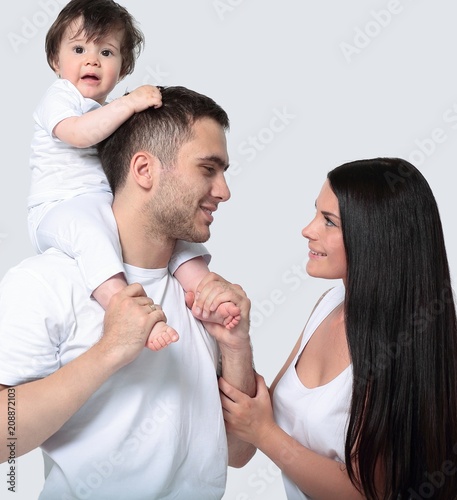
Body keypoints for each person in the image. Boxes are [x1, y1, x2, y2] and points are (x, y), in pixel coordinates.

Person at [0, 85, 256, 499]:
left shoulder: (205, 297)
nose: (224, 190)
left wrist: (237, 347)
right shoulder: (44, 283)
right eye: (208, 169)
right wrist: (109, 351)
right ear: (144, 170)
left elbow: (240, 452)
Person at [219, 158, 457, 499]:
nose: (308, 229)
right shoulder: (330, 303)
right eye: (316, 212)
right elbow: (256, 419)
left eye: (329, 222)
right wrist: (236, 340)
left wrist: (265, 434)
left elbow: (363, 493)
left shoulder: (398, 341)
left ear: (376, 236)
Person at [27, 0, 239, 352]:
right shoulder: (60, 98)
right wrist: (128, 103)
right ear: (55, 61)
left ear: (122, 69)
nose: (92, 60)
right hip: (59, 208)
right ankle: (124, 306)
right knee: (91, 234)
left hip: (101, 203)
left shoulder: (105, 112)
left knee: (170, 227)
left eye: (107, 52)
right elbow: (79, 134)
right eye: (78, 49)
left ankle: (205, 290)